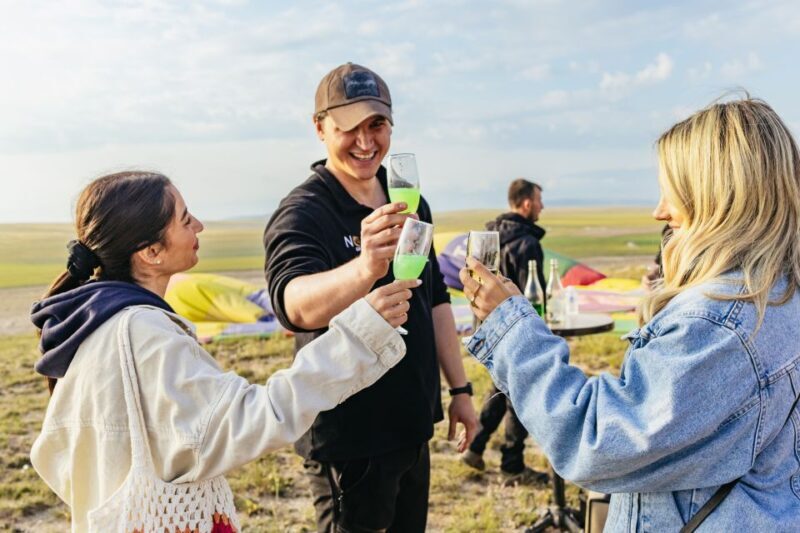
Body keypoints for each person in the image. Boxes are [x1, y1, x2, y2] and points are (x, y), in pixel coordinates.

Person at [459, 97, 800, 531]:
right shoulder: (779, 293)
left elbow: (596, 439)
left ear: (719, 197)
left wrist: (509, 326)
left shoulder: (719, 324)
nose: (659, 211)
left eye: (673, 192)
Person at [30, 171, 417, 532]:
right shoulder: (145, 334)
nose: (199, 225)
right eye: (184, 220)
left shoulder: (92, 325)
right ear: (151, 252)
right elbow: (253, 419)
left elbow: (56, 454)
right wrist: (359, 334)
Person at [264, 63, 478, 532]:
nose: (366, 141)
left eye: (376, 125)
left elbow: (434, 296)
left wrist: (460, 390)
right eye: (349, 128)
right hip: (351, 438)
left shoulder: (410, 201)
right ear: (319, 128)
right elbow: (293, 304)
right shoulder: (304, 211)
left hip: (410, 423)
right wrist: (365, 268)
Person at [461, 178, 549, 486]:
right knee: (518, 396)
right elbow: (531, 300)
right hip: (514, 331)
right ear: (526, 204)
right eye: (539, 200)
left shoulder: (490, 237)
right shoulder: (527, 244)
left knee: (500, 390)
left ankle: (475, 446)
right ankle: (512, 466)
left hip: (486, 329)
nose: (541, 206)